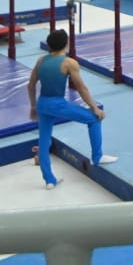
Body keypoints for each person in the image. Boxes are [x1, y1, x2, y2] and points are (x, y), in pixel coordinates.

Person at [27, 29, 116, 189]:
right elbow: (81, 88)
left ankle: (49, 180)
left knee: (44, 139)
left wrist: (33, 106)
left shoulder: (41, 60)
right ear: (66, 44)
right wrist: (94, 107)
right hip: (57, 104)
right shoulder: (69, 63)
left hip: (42, 104)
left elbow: (31, 85)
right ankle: (97, 157)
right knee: (94, 119)